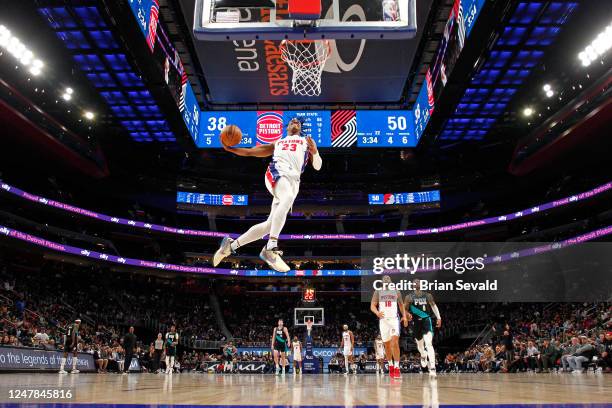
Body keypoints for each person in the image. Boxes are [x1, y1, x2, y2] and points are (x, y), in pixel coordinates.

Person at [213, 118, 323, 272]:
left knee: (269, 226)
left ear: (300, 127)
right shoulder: (278, 142)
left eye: (297, 122)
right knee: (287, 198)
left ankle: (229, 247)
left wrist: (315, 151)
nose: (295, 123)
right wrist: (230, 149)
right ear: (287, 126)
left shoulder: (306, 142)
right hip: (277, 172)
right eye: (292, 121)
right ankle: (270, 247)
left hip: (293, 181)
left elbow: (317, 166)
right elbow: (251, 152)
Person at [370, 275, 408, 379]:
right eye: (384, 280)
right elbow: (372, 305)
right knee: (386, 345)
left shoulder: (396, 291)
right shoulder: (377, 292)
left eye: (388, 280)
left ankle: (396, 367)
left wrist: (404, 316)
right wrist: (377, 312)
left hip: (394, 319)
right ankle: (390, 365)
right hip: (383, 321)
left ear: (390, 282)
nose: (386, 281)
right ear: (382, 282)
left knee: (395, 342)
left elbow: (401, 305)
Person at [404, 278, 442, 377]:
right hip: (416, 322)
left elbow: (433, 306)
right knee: (420, 347)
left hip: (426, 320)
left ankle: (433, 368)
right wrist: (407, 315)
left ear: (421, 284)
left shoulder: (427, 295)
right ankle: (423, 355)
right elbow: (404, 310)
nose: (416, 283)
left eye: (418, 282)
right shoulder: (409, 297)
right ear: (412, 285)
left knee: (429, 343)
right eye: (414, 282)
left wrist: (439, 317)